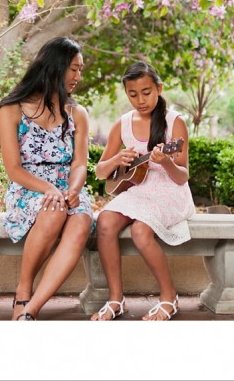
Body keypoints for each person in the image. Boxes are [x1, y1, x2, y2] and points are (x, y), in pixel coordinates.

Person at [0, 37, 94, 321]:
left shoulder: (78, 113)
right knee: (53, 210)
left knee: (81, 219)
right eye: (73, 69)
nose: (78, 76)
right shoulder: (12, 110)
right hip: (30, 188)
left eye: (80, 70)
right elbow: (13, 169)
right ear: (55, 67)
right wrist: (50, 189)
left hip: (69, 187)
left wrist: (73, 190)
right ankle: (23, 290)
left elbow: (80, 163)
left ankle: (31, 310)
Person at [90, 61, 195, 321]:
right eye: (133, 94)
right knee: (104, 220)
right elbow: (101, 172)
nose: (140, 100)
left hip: (170, 191)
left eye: (146, 92)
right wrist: (117, 160)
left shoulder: (175, 122)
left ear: (159, 88)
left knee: (140, 229)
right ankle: (116, 299)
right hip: (138, 190)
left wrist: (167, 162)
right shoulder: (123, 123)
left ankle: (169, 297)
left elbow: (183, 176)